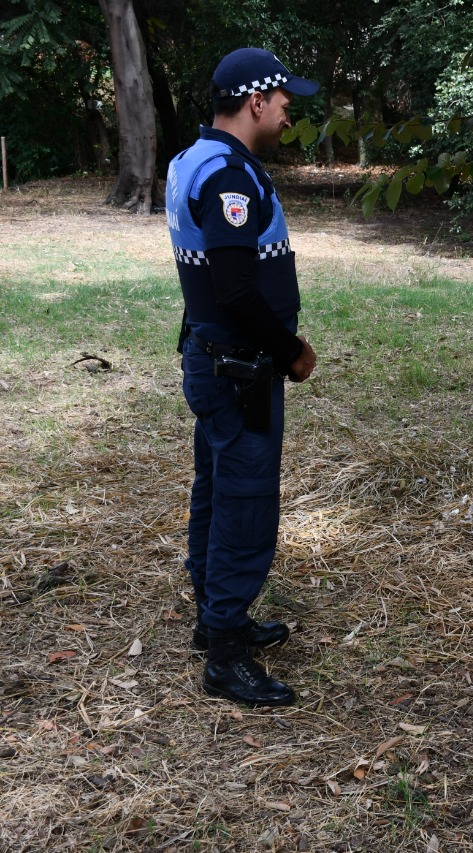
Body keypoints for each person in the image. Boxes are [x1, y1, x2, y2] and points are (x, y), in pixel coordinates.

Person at [166, 48, 319, 707]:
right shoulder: (229, 176)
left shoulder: (191, 159)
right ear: (255, 101)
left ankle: (215, 617)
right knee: (246, 500)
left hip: (214, 361)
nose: (289, 109)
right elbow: (233, 289)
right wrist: (292, 351)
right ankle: (225, 652)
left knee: (218, 488)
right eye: (284, 98)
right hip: (239, 372)